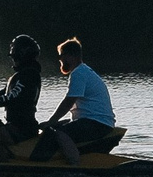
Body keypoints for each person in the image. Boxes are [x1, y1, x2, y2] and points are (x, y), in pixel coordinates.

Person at [32, 37, 125, 165]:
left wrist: (52, 121)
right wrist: (50, 123)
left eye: (62, 56)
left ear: (72, 56)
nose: (60, 60)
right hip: (94, 121)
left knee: (60, 133)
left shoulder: (79, 73)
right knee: (51, 127)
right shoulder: (83, 71)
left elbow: (68, 102)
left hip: (97, 124)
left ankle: (75, 164)